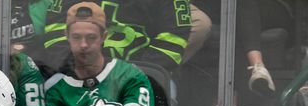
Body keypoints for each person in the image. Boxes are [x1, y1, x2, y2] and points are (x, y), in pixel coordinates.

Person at [39, 0, 206, 74]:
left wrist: (140, 74)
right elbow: (56, 29)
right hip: (81, 75)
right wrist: (76, 68)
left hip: (142, 76)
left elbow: (174, 35)